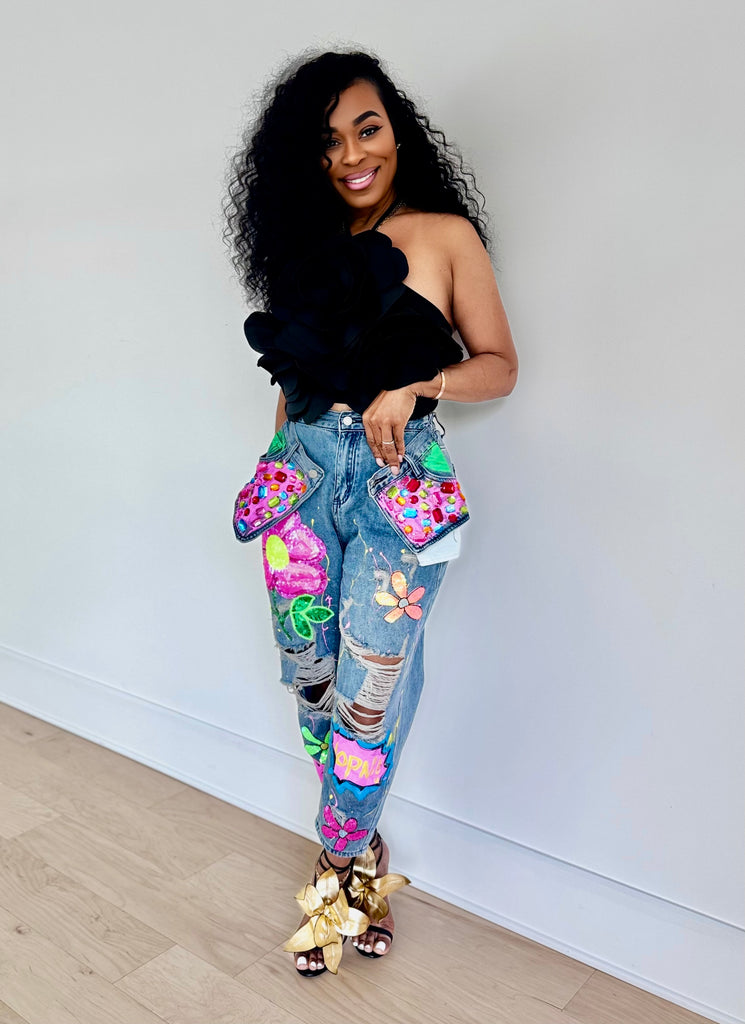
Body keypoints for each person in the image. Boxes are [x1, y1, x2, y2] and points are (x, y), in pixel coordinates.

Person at [223, 49, 518, 977]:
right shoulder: (301, 250)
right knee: (310, 674)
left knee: (370, 687)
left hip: (398, 481)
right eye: (328, 141)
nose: (352, 155)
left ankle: (340, 864)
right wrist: (278, 462)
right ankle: (359, 848)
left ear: (397, 132)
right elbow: (292, 377)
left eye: (368, 128)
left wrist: (417, 383)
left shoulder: (444, 235)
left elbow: (500, 365)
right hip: (301, 478)